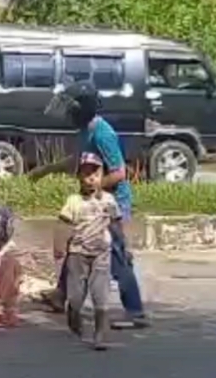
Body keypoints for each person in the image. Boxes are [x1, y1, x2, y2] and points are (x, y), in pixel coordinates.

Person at [30, 81, 148, 329]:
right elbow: (78, 159)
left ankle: (135, 311)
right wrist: (46, 170)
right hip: (93, 202)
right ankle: (61, 295)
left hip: (110, 204)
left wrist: (94, 192)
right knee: (77, 244)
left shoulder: (103, 134)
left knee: (115, 255)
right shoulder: (87, 130)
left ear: (81, 109)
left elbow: (118, 173)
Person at [54, 154, 120, 350]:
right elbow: (63, 224)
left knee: (101, 295)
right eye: (86, 173)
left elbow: (117, 224)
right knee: (75, 297)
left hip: (102, 253)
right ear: (79, 177)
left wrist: (125, 247)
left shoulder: (109, 200)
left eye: (96, 173)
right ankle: (73, 315)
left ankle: (100, 335)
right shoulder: (73, 201)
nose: (91, 178)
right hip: (77, 253)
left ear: (102, 177)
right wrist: (58, 245)